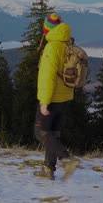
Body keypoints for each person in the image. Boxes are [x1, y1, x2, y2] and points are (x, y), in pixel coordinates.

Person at [33, 13, 80, 181]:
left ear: (48, 30)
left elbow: (47, 77)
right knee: (53, 133)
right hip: (66, 97)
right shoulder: (68, 43)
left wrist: (44, 102)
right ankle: (48, 170)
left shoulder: (51, 47)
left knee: (40, 132)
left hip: (52, 99)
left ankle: (67, 159)